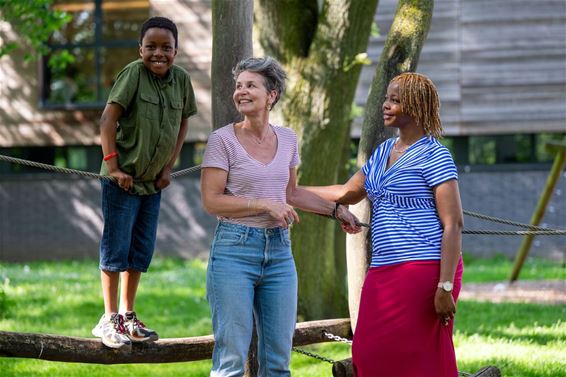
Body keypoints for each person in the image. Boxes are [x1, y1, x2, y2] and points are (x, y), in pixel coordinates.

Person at [200, 56, 359, 376]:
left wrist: (335, 210)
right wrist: (263, 204)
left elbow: (291, 194)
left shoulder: (287, 139)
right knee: (231, 357)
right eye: (238, 85)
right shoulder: (222, 140)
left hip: (279, 253)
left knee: (277, 361)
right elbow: (212, 201)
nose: (241, 91)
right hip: (234, 250)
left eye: (250, 85)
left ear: (271, 95)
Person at [304, 72, 464, 377]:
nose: (385, 105)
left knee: (422, 357)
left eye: (395, 99)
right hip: (384, 269)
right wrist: (290, 191)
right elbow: (345, 193)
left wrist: (444, 287)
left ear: (416, 106)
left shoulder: (435, 155)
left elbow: (453, 224)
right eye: (386, 98)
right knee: (367, 351)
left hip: (426, 268)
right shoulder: (381, 153)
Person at [92, 16, 197, 349]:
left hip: (152, 185)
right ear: (140, 49)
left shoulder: (181, 80)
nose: (158, 53)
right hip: (122, 183)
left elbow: (182, 125)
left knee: (139, 252)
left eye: (166, 47)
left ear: (176, 51)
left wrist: (169, 166)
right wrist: (113, 166)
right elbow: (108, 119)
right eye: (151, 46)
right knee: (115, 250)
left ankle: (127, 315)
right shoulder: (133, 74)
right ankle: (108, 319)